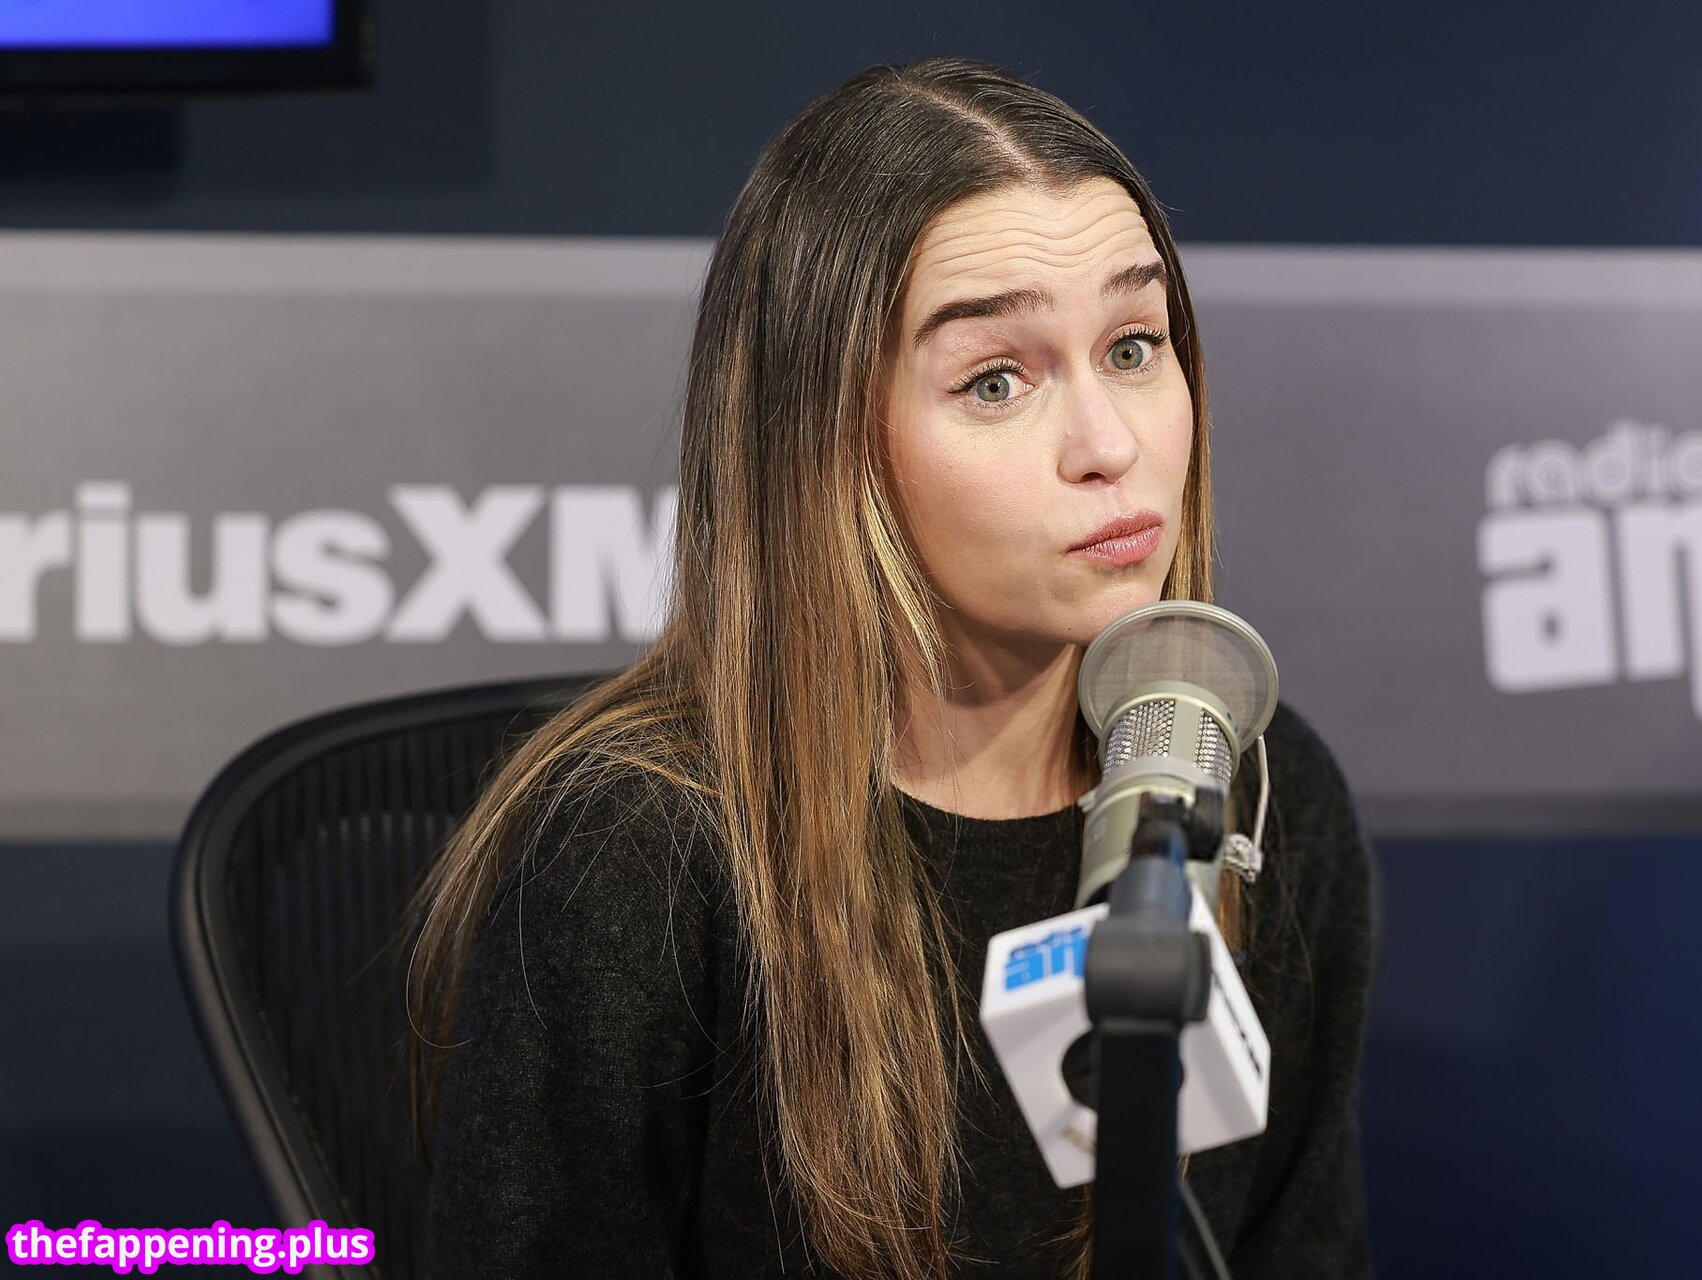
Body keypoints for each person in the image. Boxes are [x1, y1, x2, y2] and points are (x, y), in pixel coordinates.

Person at [411, 56, 1376, 1280]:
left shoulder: (1258, 784)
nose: (1109, 444)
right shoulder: (637, 852)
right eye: (996, 380)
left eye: (1135, 346)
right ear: (826, 444)